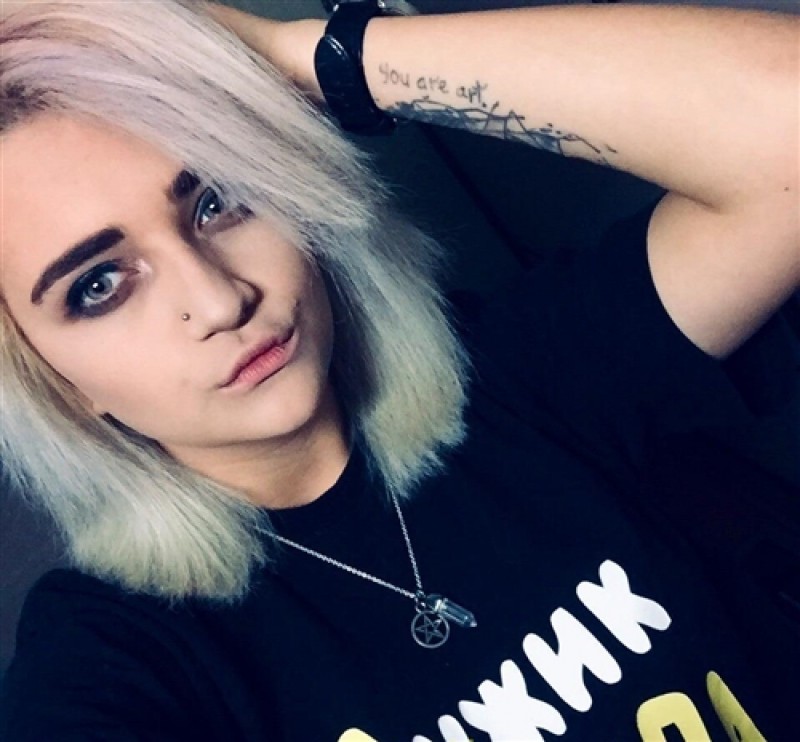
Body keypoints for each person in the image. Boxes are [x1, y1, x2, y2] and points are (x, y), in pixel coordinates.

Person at [0, 0, 797, 739]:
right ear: (54, 379)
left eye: (219, 199)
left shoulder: (516, 375)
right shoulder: (119, 655)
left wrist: (303, 58)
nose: (219, 300)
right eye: (99, 286)